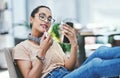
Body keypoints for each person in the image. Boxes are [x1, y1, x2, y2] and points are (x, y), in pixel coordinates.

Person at [13, 5, 120, 78]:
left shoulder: (52, 43)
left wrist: (74, 43)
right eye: (42, 16)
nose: (46, 20)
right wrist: (42, 50)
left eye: (49, 19)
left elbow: (69, 66)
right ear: (31, 19)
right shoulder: (21, 47)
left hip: (67, 74)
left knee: (100, 51)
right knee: (94, 65)